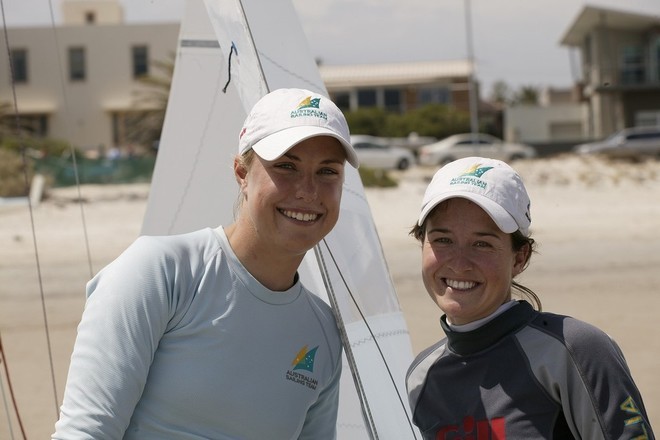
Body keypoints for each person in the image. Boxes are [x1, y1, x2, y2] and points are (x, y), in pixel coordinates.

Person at [52, 88, 359, 439]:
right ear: (241, 173)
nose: (308, 191)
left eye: (327, 172)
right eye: (286, 166)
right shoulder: (157, 272)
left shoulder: (323, 331)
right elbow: (86, 432)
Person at [406, 157, 654, 439]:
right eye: (442, 240)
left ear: (519, 258)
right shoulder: (422, 377)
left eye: (482, 244)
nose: (459, 263)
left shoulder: (575, 350)